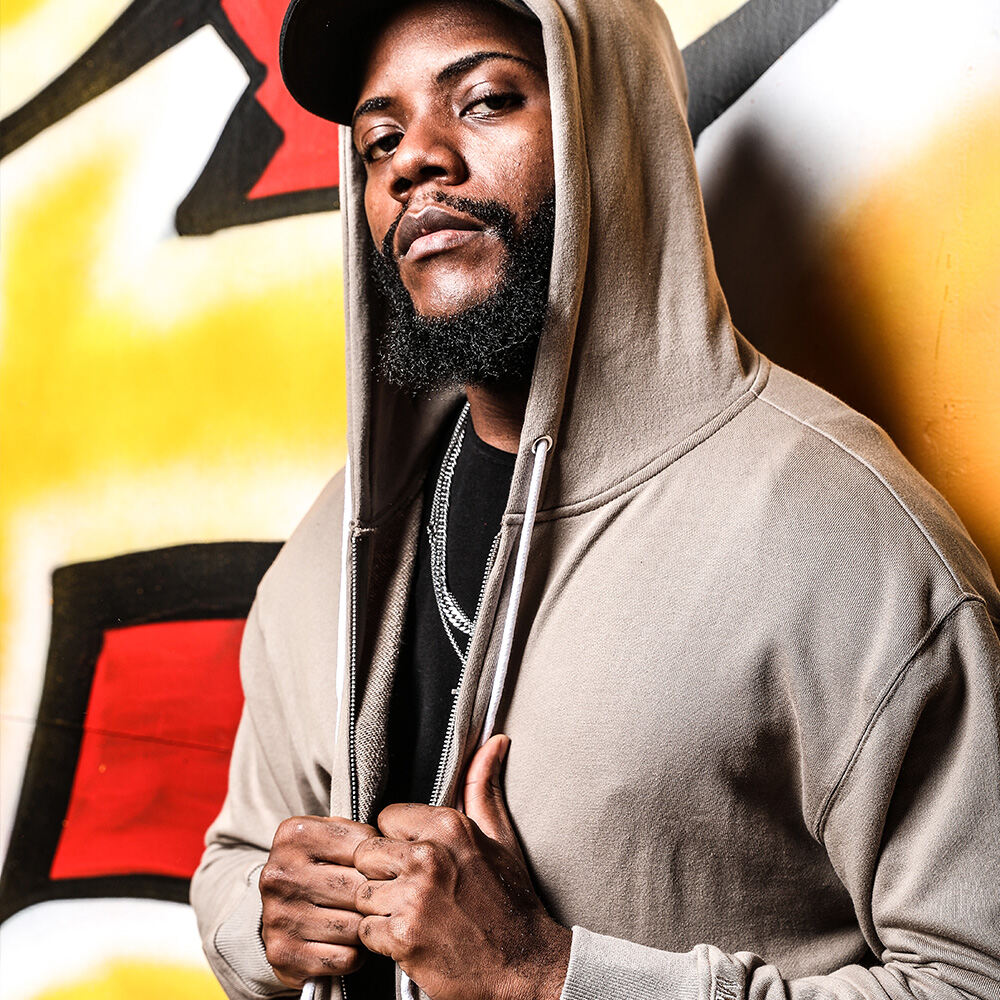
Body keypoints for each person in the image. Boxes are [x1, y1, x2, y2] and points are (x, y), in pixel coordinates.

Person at [190, 0, 1000, 998]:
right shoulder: (338, 545)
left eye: (485, 100)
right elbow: (235, 856)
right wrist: (263, 921)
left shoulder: (834, 530)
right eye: (379, 140)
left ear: (609, 126)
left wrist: (545, 974)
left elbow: (975, 976)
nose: (414, 161)